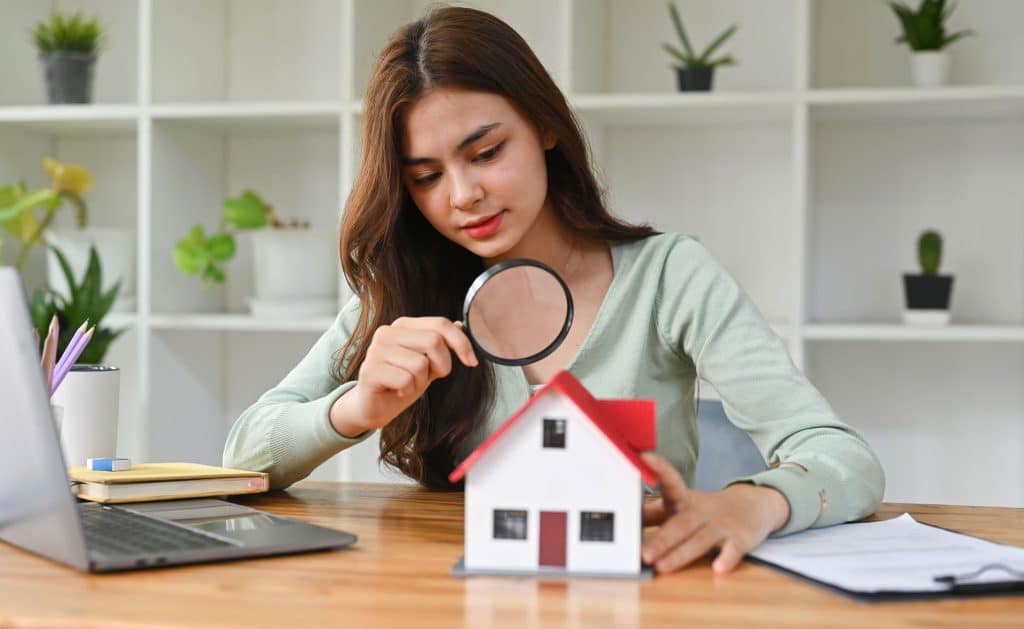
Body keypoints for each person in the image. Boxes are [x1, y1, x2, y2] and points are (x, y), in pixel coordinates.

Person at [224, 6, 884, 575]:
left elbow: (840, 455)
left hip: (641, 594)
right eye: (426, 177)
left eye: (485, 153)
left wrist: (752, 502)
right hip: (454, 598)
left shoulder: (667, 275)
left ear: (544, 125)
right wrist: (355, 408)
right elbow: (243, 456)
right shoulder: (408, 292)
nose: (462, 195)